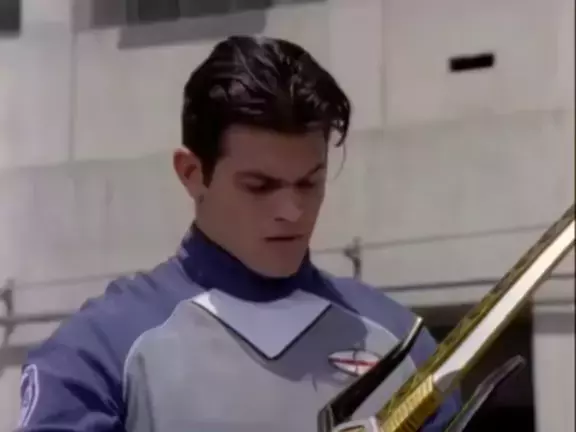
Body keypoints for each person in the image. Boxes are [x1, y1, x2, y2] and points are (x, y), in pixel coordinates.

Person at [17, 36, 460, 431]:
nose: (292, 211)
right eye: (260, 186)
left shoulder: (402, 342)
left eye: (310, 182)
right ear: (192, 173)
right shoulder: (99, 353)